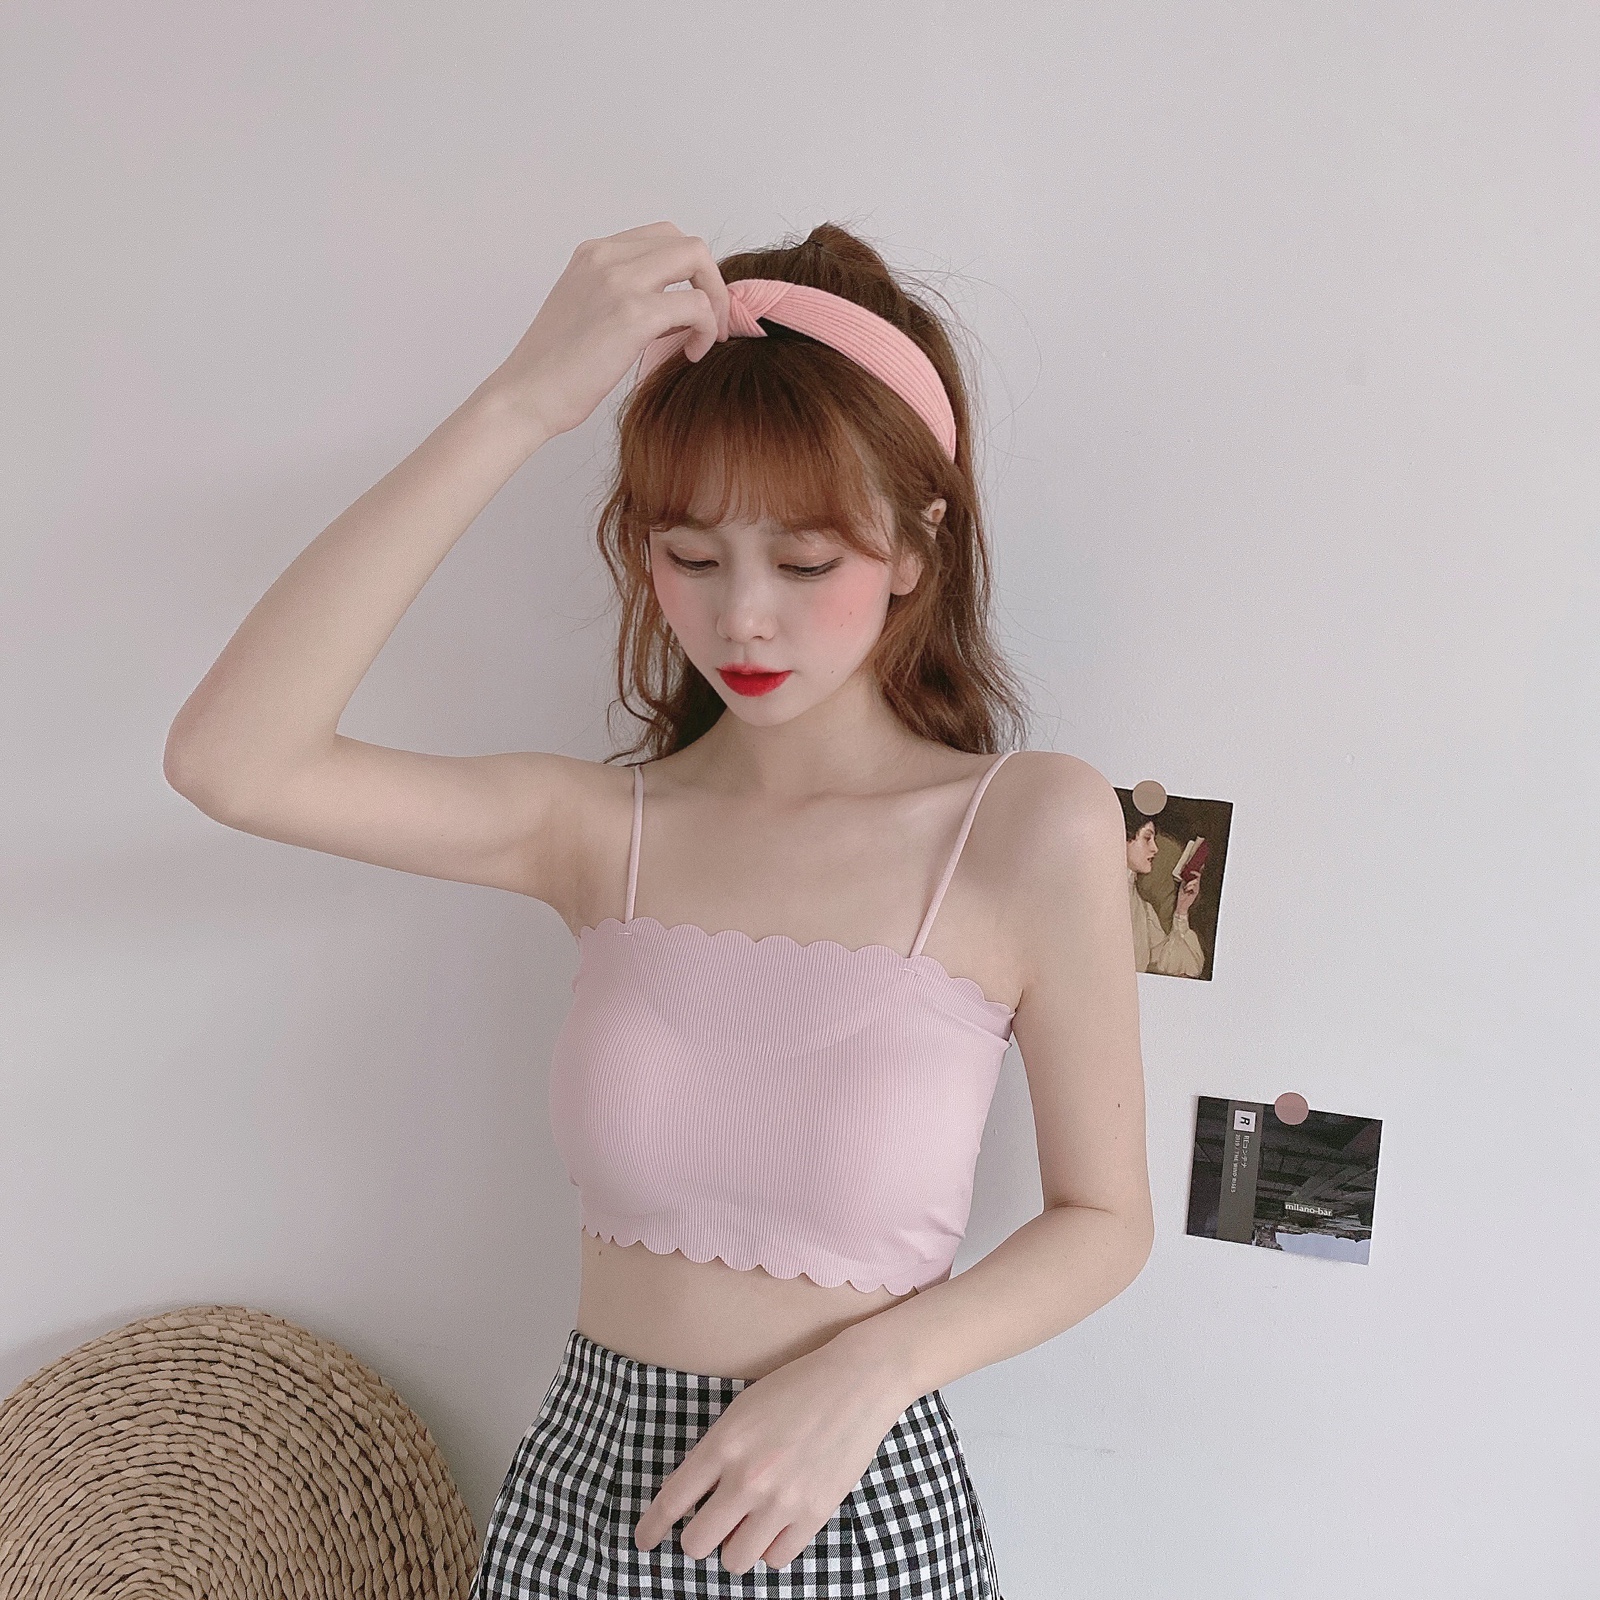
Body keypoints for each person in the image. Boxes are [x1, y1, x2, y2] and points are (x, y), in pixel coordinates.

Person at [164, 219, 1155, 1598]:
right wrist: (521, 402)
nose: (742, 617)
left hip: (854, 1509)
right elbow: (231, 760)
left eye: (804, 564)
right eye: (690, 555)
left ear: (915, 548)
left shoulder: (1026, 826)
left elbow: (1104, 1216)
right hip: (580, 1512)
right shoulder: (598, 831)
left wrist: (874, 1370)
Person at [1121, 806, 1206, 978]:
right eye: (1147, 838)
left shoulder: (1144, 910)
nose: (1155, 848)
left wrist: (1181, 910)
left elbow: (1177, 967)